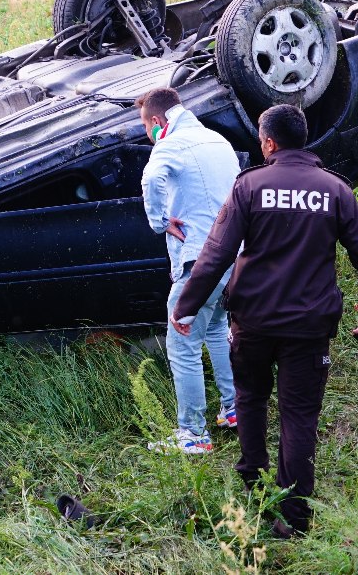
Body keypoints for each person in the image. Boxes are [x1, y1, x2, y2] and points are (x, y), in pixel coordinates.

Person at [170, 104, 358, 535]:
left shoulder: (249, 187)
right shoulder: (336, 191)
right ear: (302, 138)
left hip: (252, 321)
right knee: (299, 415)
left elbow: (216, 254)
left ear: (268, 141)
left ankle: (255, 489)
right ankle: (294, 517)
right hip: (309, 327)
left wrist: (187, 306)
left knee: (250, 398)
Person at [137, 87, 241, 454]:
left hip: (198, 259)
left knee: (182, 343)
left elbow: (150, 181)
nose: (148, 134)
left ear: (156, 121)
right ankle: (234, 410)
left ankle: (193, 434)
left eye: (145, 127)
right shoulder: (218, 141)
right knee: (214, 328)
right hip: (232, 257)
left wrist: (159, 221)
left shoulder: (171, 144)